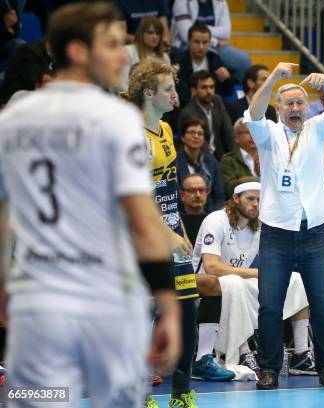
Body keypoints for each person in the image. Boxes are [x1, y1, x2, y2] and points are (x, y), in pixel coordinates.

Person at [0, 3, 181, 407]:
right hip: (107, 300)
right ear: (79, 52)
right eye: (113, 44)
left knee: (37, 398)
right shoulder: (117, 120)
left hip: (37, 302)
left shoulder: (11, 119)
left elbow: (3, 215)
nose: (124, 54)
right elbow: (143, 219)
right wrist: (167, 303)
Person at [243, 62, 324, 390]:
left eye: (300, 103)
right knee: (270, 306)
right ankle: (270, 369)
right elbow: (254, 111)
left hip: (315, 229)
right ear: (279, 108)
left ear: (307, 107)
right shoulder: (268, 133)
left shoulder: (317, 128)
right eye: (288, 103)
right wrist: (275, 77)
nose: (294, 108)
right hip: (276, 231)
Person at [125, 58, 200, 408]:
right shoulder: (131, 136)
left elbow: (167, 189)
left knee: (188, 310)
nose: (176, 94)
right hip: (139, 238)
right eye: (169, 88)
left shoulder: (166, 131)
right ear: (148, 92)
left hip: (169, 232)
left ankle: (181, 393)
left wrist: (179, 231)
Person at [191, 177, 316, 380]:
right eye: (250, 199)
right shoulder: (216, 220)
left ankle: (302, 354)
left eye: (259, 199)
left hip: (236, 284)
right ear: (236, 198)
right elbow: (211, 266)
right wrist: (258, 273)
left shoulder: (260, 227)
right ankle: (242, 353)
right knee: (235, 283)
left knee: (295, 279)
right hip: (206, 287)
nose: (256, 204)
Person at [171, 0, 252, 81]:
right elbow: (186, 34)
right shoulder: (181, 1)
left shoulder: (221, 1)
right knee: (202, 53)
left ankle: (236, 92)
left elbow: (226, 32)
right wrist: (215, 41)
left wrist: (200, 29)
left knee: (244, 61)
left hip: (215, 45)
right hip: (188, 44)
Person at [179, 70, 235, 160]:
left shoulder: (217, 101)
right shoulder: (189, 113)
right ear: (193, 91)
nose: (209, 91)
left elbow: (228, 132)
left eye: (211, 87)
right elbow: (200, 145)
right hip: (200, 158)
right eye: (204, 87)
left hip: (220, 155)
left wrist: (235, 158)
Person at [176, 116, 225, 213]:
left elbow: (219, 196)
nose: (196, 136)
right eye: (191, 132)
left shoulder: (212, 162)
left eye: (200, 133)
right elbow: (175, 196)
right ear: (182, 137)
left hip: (209, 214)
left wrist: (213, 216)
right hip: (182, 216)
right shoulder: (174, 162)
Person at [175, 23, 233, 104]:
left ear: (209, 42)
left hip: (212, 106)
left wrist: (227, 78)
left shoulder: (215, 59)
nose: (201, 47)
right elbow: (181, 93)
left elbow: (228, 91)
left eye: (205, 42)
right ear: (189, 41)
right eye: (197, 42)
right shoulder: (180, 61)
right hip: (188, 107)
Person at [119, 16, 171, 92]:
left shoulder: (165, 58)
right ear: (141, 33)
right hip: (131, 99)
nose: (155, 37)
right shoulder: (127, 52)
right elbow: (121, 83)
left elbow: (169, 86)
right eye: (150, 32)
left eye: (158, 33)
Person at [220, 118, 260, 197]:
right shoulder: (229, 160)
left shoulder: (269, 157)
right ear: (236, 138)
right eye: (248, 132)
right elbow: (230, 189)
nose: (253, 135)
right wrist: (256, 176)